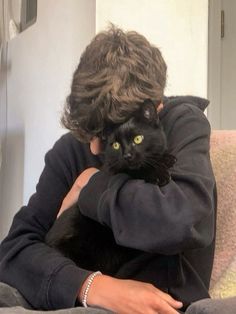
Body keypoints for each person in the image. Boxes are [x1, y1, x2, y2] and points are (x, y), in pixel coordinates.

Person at [0, 26, 216, 314]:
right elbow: (13, 250)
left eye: (106, 134)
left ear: (155, 110)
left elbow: (182, 220)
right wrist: (92, 287)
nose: (93, 149)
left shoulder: (182, 124)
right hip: (80, 295)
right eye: (91, 132)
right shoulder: (73, 147)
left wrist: (92, 187)